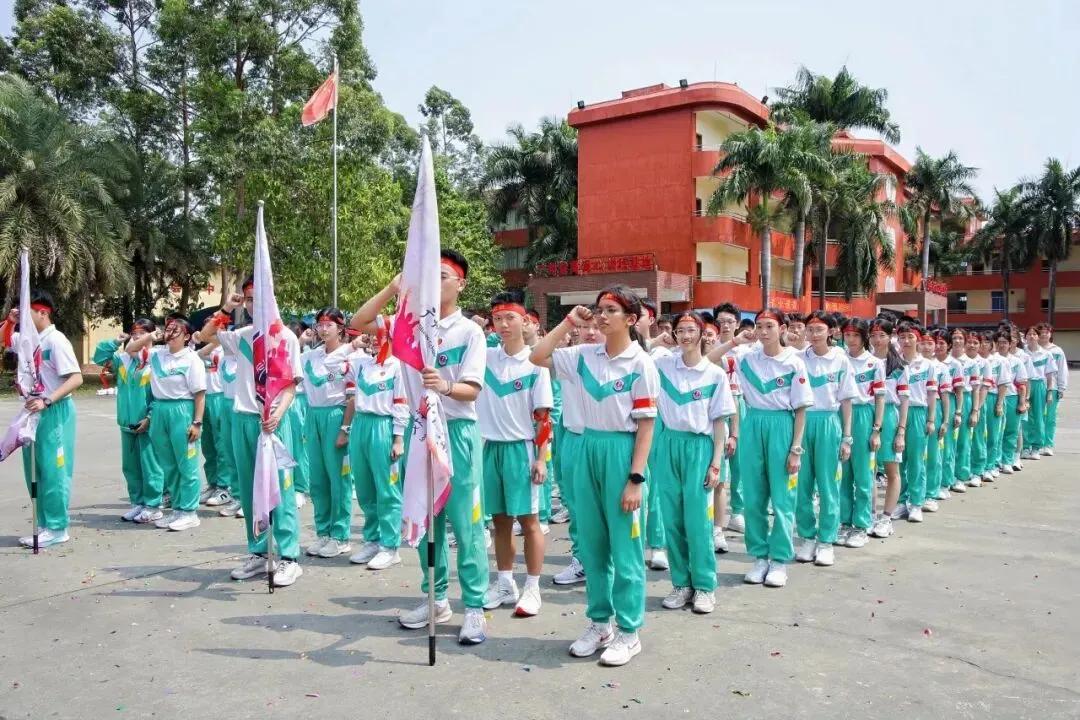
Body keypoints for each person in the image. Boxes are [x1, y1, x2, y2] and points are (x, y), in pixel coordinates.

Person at [350, 249, 490, 645]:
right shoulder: (406, 325)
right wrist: (394, 287)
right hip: (419, 431)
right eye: (430, 275)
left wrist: (444, 386)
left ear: (460, 284)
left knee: (466, 525)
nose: (435, 282)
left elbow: (472, 390)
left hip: (456, 432)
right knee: (427, 523)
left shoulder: (470, 333)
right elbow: (357, 322)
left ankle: (476, 607)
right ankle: (436, 598)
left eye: (443, 275)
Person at [530, 286, 659, 666]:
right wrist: (569, 320)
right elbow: (538, 355)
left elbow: (647, 426)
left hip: (621, 453)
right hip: (585, 450)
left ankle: (629, 630)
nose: (602, 316)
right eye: (599, 310)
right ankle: (599, 622)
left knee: (625, 547)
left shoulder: (640, 364)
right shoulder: (583, 356)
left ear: (631, 319)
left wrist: (635, 478)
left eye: (611, 310)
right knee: (592, 545)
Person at [201, 282, 304, 587]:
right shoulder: (243, 336)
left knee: (280, 491)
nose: (251, 305)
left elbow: (291, 385)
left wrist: (277, 413)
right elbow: (204, 336)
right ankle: (260, 552)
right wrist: (225, 308)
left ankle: (288, 557)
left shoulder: (285, 338)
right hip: (242, 419)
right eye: (247, 300)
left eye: (257, 299)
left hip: (272, 422)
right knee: (248, 490)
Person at [478, 292, 554, 618]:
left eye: (510, 318)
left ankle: (533, 588)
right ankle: (505, 582)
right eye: (497, 319)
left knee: (530, 521)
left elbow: (543, 418)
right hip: (490, 448)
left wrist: (541, 457)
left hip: (521, 449)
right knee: (499, 521)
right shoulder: (484, 358)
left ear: (525, 321)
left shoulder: (536, 364)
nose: (503, 325)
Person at [653, 311, 734, 613]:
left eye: (691, 330)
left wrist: (715, 464)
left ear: (701, 334)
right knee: (671, 518)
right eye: (680, 331)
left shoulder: (713, 375)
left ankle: (704, 586)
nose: (685, 336)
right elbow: (634, 355)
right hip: (669, 443)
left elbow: (719, 424)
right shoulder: (661, 366)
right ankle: (681, 583)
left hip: (699, 448)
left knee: (698, 520)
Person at [735, 309, 812, 588]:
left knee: (782, 497)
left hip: (782, 425)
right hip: (753, 423)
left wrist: (796, 448)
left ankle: (779, 558)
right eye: (759, 326)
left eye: (769, 326)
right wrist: (735, 340)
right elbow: (710, 360)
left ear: (782, 329)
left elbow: (802, 408)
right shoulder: (745, 360)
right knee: (754, 497)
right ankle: (759, 555)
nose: (764, 331)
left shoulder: (794, 362)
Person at [126, 315, 207, 532]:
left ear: (187, 336)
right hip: (160, 410)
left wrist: (197, 422)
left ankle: (190, 511)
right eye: (168, 329)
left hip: (182, 409)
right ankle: (178, 509)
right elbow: (130, 349)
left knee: (186, 464)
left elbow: (200, 394)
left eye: (175, 331)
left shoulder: (191, 359)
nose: (170, 334)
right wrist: (151, 336)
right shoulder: (157, 355)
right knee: (169, 464)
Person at [16, 291, 83, 548]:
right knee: (35, 470)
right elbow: (3, 339)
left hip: (54, 411)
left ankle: (57, 527)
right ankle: (44, 523)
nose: (24, 318)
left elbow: (76, 378)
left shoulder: (56, 341)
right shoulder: (28, 341)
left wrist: (47, 400)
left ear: (42, 312)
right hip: (32, 412)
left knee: (54, 471)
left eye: (27, 312)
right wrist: (11, 321)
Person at [795, 312, 858, 567]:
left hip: (829, 423)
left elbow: (846, 400)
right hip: (802, 421)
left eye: (819, 329)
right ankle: (807, 537)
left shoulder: (840, 359)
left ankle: (826, 541)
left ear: (831, 331)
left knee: (829, 485)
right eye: (810, 329)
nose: (813, 334)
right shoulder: (798, 359)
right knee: (802, 484)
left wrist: (847, 437)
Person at [92, 319, 164, 523]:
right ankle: (138, 503)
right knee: (131, 467)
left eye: (142, 333)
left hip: (147, 424)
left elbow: (161, 394)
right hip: (127, 423)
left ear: (151, 335)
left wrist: (150, 417)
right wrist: (115, 342)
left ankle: (153, 505)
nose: (136, 336)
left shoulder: (157, 359)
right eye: (134, 333)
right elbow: (99, 357)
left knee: (151, 466)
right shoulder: (124, 360)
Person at [552, 309, 602, 586]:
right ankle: (581, 559)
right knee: (575, 504)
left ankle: (608, 563)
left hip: (607, 442)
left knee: (608, 507)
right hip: (573, 436)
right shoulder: (571, 358)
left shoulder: (621, 358)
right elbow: (537, 353)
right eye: (585, 326)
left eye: (597, 326)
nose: (591, 332)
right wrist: (567, 322)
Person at [299, 308, 355, 559]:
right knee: (318, 479)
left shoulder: (351, 355)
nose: (323, 329)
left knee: (338, 479)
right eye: (319, 324)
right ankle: (323, 532)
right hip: (313, 415)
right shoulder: (310, 356)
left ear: (340, 328)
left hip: (336, 415)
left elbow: (353, 397)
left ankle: (340, 535)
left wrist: (345, 427)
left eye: (328, 325)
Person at [839, 319, 885, 549]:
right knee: (843, 474)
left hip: (864, 416)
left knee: (863, 475)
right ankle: (845, 521)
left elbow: (880, 397)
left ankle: (862, 524)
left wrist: (876, 429)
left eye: (855, 335)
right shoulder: (839, 359)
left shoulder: (874, 363)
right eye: (847, 335)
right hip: (840, 414)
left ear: (864, 337)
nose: (851, 339)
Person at [868, 318, 908, 539]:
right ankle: (871, 515)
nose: (876, 340)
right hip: (866, 416)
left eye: (881, 335)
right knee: (869, 471)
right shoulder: (863, 362)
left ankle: (886, 518)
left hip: (890, 418)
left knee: (891, 470)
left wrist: (901, 431)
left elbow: (903, 401)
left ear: (889, 336)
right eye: (873, 335)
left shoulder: (899, 367)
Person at [636, 297, 668, 571]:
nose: (635, 318)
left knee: (654, 485)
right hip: (624, 428)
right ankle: (636, 542)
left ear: (652, 320)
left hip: (655, 426)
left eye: (642, 314)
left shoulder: (663, 355)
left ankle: (658, 544)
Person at [894, 322, 937, 522]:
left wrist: (930, 419)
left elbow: (931, 394)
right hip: (896, 413)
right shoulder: (893, 363)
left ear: (917, 340)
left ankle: (916, 503)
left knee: (916, 460)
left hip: (918, 413)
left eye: (910, 337)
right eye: (902, 337)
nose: (906, 341)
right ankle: (901, 501)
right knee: (898, 460)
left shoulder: (928, 365)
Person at [712, 302, 747, 540]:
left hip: (741, 403)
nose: (725, 326)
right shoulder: (710, 347)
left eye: (730, 322)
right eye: (721, 321)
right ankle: (717, 519)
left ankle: (738, 511)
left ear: (737, 323)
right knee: (720, 465)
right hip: (717, 407)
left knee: (740, 462)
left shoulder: (748, 350)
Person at [198, 340, 232, 507]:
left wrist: (218, 338)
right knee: (207, 445)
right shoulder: (203, 350)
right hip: (205, 397)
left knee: (222, 446)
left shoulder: (228, 348)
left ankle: (224, 486)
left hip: (221, 396)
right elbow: (199, 356)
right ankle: (212, 483)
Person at [923, 330, 952, 504]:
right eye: (923, 343)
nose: (926, 347)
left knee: (933, 453)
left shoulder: (941, 368)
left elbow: (946, 395)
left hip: (936, 409)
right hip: (914, 410)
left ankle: (932, 492)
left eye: (930, 343)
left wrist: (946, 420)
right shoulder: (907, 365)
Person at [1021, 326, 1057, 460]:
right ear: (1025, 337)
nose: (1031, 336)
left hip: (1039, 385)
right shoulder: (1022, 353)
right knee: (1025, 417)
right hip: (1024, 385)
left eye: (1034, 334)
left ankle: (1037, 446)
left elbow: (1050, 375)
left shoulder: (1046, 354)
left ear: (1038, 337)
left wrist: (1049, 392)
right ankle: (1025, 446)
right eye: (1028, 334)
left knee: (1038, 417)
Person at [996, 331, 1026, 475]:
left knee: (1011, 431)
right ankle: (996, 461)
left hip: (1012, 397)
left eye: (1005, 342)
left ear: (1010, 344)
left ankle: (1007, 460)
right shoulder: (991, 360)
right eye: (999, 342)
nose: (1002, 345)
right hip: (994, 397)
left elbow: (1022, 383)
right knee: (995, 432)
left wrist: (1022, 402)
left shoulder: (1016, 361)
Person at [1037, 323, 1067, 456]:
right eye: (1041, 332)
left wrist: (1061, 387)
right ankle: (1036, 443)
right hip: (1036, 386)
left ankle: (1048, 444)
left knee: (1050, 417)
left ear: (1051, 334)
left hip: (1052, 387)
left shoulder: (1057, 351)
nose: (1044, 334)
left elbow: (1062, 370)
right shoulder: (1031, 349)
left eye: (1046, 332)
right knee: (1035, 417)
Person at [963, 331, 988, 487]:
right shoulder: (958, 361)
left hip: (977, 403)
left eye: (975, 343)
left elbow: (984, 387)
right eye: (969, 342)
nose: (972, 345)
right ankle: (962, 472)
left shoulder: (984, 363)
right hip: (962, 402)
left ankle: (977, 471)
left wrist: (976, 409)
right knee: (962, 441)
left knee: (978, 438)